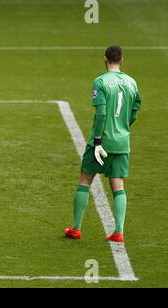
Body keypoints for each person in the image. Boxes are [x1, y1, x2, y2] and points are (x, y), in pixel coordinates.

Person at [64, 46, 141, 243]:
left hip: (102, 141)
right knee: (118, 185)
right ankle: (119, 231)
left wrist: (98, 140)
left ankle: (76, 228)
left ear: (105, 59)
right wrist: (123, 128)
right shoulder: (132, 83)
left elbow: (101, 114)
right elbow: (134, 112)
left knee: (85, 180)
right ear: (122, 60)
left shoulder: (101, 81)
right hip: (122, 141)